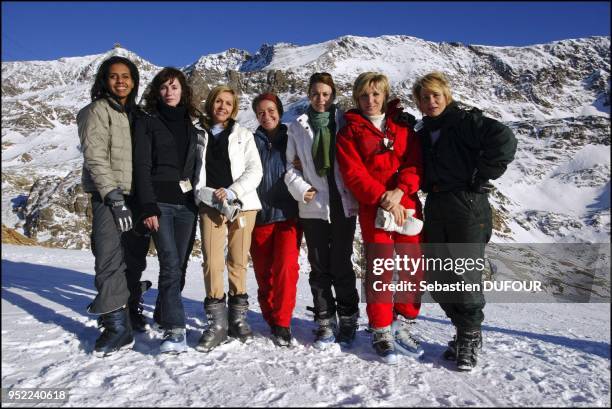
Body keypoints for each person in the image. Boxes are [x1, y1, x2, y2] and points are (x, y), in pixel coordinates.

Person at [411, 72, 517, 371]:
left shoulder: (465, 122)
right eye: (425, 97)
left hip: (467, 205)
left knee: (464, 273)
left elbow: (504, 138)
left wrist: (483, 173)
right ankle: (463, 331)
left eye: (436, 95)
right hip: (436, 204)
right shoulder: (423, 132)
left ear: (447, 96)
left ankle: (469, 338)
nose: (431, 102)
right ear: (418, 102)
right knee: (438, 274)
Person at [336, 72, 424, 364]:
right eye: (364, 95)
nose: (370, 100)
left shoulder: (402, 126)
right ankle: (381, 329)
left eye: (375, 94)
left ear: (385, 96)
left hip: (406, 204)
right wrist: (384, 198)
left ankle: (405, 321)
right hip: (374, 208)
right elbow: (353, 173)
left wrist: (400, 191)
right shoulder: (350, 131)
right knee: (380, 269)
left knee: (412, 265)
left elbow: (414, 162)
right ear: (356, 98)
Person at [78, 56, 151, 356]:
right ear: (104, 81)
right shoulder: (96, 111)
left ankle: (130, 309)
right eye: (113, 76)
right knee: (108, 258)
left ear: (134, 81)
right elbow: (95, 156)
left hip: (136, 196)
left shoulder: (135, 114)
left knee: (134, 258)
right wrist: (113, 197)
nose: (120, 81)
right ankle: (116, 327)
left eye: (126, 76)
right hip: (110, 197)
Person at [285, 72, 359, 349]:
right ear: (309, 94)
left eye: (325, 94)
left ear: (333, 95)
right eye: (315, 93)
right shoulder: (296, 127)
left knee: (341, 264)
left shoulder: (345, 123)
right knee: (319, 266)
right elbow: (290, 166)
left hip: (343, 202)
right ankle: (325, 319)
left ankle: (349, 319)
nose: (320, 99)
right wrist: (301, 188)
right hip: (312, 204)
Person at [133, 67, 200, 354]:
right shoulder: (148, 122)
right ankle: (175, 330)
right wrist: (147, 205)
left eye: (174, 87)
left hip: (187, 205)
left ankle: (162, 315)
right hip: (160, 204)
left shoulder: (192, 125)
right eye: (163, 87)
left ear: (183, 90)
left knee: (181, 266)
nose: (169, 92)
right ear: (156, 92)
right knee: (170, 264)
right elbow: (141, 167)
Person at [193, 85, 263, 352]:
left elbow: (255, 170)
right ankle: (217, 322)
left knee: (238, 261)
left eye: (228, 104)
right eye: (218, 101)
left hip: (242, 205)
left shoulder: (243, 135)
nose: (223, 107)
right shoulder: (198, 133)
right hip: (211, 205)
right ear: (211, 103)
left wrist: (233, 191)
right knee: (212, 261)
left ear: (234, 109)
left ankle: (237, 318)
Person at [250, 93, 302, 347]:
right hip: (258, 216)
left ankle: (282, 322)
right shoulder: (250, 142)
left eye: (271, 110)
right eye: (261, 112)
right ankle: (270, 315)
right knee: (263, 273)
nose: (266, 116)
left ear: (279, 112)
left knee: (286, 268)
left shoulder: (293, 138)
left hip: (288, 216)